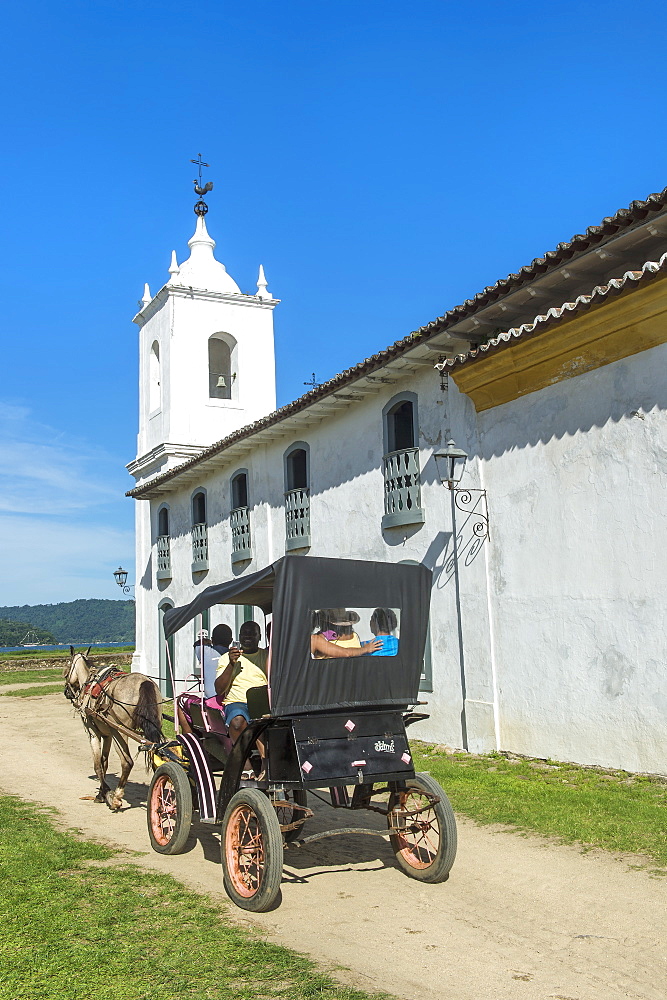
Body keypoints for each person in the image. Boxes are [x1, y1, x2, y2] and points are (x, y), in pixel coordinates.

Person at [214, 621, 268, 745]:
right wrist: (232, 664)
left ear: (259, 636)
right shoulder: (226, 658)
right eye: (244, 634)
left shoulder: (266, 656)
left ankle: (266, 760)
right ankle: (243, 761)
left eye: (252, 634)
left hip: (262, 703)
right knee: (237, 722)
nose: (248, 637)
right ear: (239, 637)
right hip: (238, 702)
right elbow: (219, 689)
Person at [311, 609, 382, 658]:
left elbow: (346, 653)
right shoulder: (354, 635)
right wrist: (365, 649)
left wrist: (365, 649)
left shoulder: (316, 639)